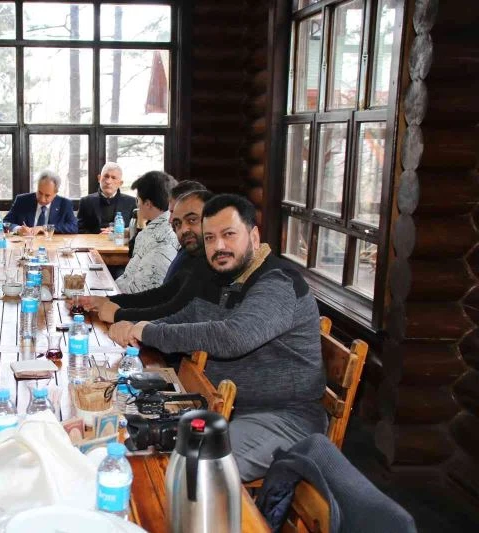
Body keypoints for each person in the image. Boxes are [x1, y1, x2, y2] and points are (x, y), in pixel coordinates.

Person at [108, 194, 327, 481]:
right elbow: (186, 318)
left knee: (198, 472)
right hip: (220, 405)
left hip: (283, 417)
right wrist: (138, 327)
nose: (219, 246)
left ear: (254, 236)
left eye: (229, 234)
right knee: (126, 431)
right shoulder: (223, 276)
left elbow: (234, 337)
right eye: (210, 238)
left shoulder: (278, 283)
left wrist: (146, 331)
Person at [82, 190, 214, 323]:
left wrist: (118, 314)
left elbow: (174, 312)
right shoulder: (191, 256)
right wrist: (107, 300)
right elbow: (161, 295)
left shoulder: (213, 264)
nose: (183, 229)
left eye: (192, 220)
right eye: (177, 223)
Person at [114, 171, 179, 294]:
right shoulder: (168, 226)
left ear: (148, 204)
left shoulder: (160, 237)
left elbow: (141, 291)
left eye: (138, 200)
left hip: (134, 300)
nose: (137, 205)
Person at [4, 170, 78, 235]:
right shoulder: (22, 200)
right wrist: (18, 229)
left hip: (52, 244)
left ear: (55, 193)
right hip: (27, 244)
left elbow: (74, 227)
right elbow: (4, 222)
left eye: (47, 195)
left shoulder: (65, 204)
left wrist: (44, 228)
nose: (42, 199)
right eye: (40, 193)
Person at [76, 162, 137, 234]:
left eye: (113, 178)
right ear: (99, 178)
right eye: (106, 176)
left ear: (120, 183)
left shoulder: (131, 202)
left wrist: (119, 232)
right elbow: (79, 229)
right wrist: (98, 234)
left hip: (121, 240)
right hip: (94, 240)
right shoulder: (86, 201)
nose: (108, 181)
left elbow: (136, 229)